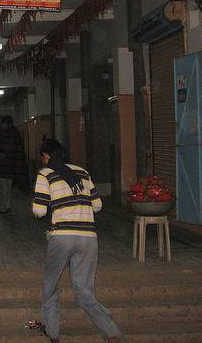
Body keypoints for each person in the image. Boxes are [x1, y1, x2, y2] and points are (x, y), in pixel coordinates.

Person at [32, 139, 123, 343]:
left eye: (43, 158)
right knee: (84, 291)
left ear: (46, 156)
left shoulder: (45, 173)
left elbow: (39, 211)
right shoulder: (82, 172)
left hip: (62, 237)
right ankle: (112, 332)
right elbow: (97, 205)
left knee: (50, 286)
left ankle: (54, 335)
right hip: (88, 238)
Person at [0, 115, 27, 214]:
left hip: (3, 165)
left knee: (4, 187)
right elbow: (18, 149)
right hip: (12, 165)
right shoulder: (15, 133)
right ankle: (6, 206)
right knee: (7, 186)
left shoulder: (0, 133)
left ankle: (4, 207)